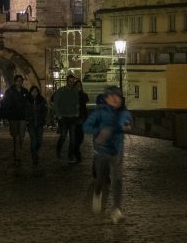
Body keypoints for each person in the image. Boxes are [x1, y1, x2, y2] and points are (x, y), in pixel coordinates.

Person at [84, 85, 133, 224]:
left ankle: (117, 209)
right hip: (101, 152)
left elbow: (128, 124)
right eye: (112, 96)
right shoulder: (99, 113)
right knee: (101, 178)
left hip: (117, 151)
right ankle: (97, 193)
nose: (115, 99)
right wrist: (99, 131)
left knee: (117, 180)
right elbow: (86, 126)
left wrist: (126, 126)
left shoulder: (124, 112)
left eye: (118, 96)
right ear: (106, 99)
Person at [2, 74, 30, 164]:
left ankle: (17, 151)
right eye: (18, 80)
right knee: (15, 136)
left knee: (21, 136)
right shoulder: (10, 91)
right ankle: (17, 153)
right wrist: (6, 117)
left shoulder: (25, 91)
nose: (19, 82)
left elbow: (28, 104)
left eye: (21, 81)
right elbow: (5, 104)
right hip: (13, 117)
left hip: (22, 117)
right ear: (15, 82)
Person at [52, 74, 80, 162]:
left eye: (73, 81)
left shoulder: (75, 91)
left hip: (72, 117)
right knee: (63, 136)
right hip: (64, 117)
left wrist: (77, 113)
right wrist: (58, 115)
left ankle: (70, 155)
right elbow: (55, 102)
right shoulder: (61, 90)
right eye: (70, 81)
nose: (71, 83)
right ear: (67, 81)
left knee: (73, 138)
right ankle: (58, 151)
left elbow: (77, 104)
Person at [26, 85, 48, 166]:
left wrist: (43, 118)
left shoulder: (41, 100)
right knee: (33, 141)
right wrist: (27, 119)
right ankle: (34, 157)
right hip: (31, 123)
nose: (34, 93)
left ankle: (35, 151)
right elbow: (25, 111)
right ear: (30, 92)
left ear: (38, 92)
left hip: (39, 123)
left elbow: (45, 110)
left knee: (39, 141)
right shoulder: (27, 100)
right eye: (33, 91)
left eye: (36, 91)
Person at [74, 79, 89, 162]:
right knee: (75, 137)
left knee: (81, 137)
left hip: (81, 118)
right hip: (73, 119)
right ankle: (76, 153)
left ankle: (76, 150)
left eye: (79, 86)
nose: (78, 87)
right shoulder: (71, 95)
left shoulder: (83, 95)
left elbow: (84, 108)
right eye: (76, 86)